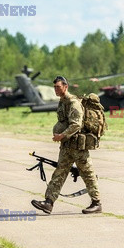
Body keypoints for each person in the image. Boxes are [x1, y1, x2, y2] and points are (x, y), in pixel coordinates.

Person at [31, 76, 102, 214]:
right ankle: (48, 202)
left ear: (65, 86)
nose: (56, 89)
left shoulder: (73, 102)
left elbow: (76, 124)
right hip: (67, 147)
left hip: (78, 147)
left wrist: (61, 135)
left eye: (58, 87)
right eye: (55, 87)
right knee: (59, 173)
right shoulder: (62, 102)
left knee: (87, 174)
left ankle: (97, 203)